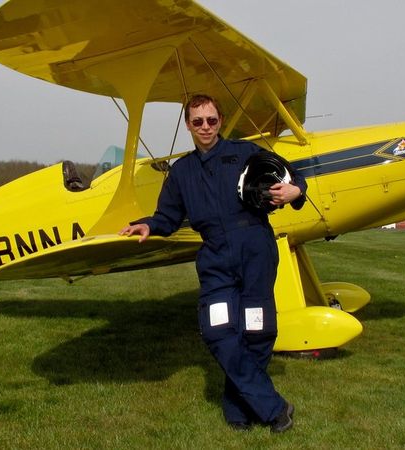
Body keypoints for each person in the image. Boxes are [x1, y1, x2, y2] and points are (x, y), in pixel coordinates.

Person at [119, 94, 307, 433]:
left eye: (211, 120)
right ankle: (274, 407)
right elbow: (168, 216)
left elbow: (290, 175)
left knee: (257, 331)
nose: (205, 127)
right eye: (197, 122)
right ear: (188, 125)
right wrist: (149, 224)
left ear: (220, 121)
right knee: (217, 330)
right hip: (215, 255)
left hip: (255, 249)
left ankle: (237, 409)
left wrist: (297, 192)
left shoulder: (246, 152)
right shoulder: (181, 172)